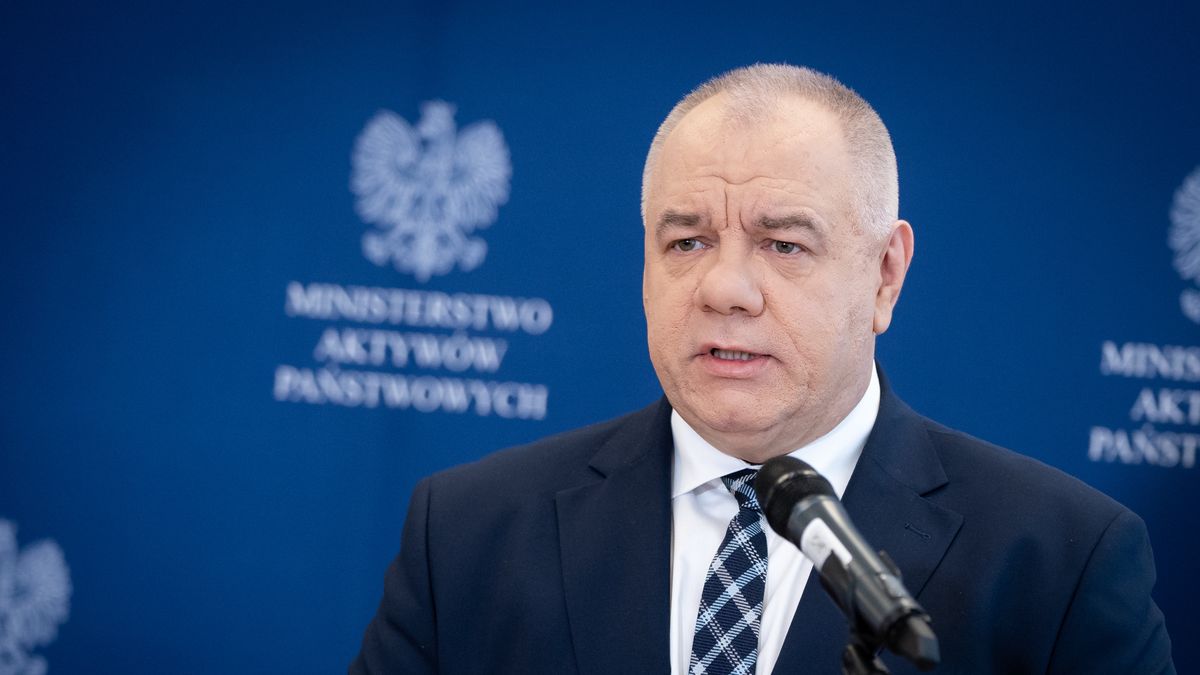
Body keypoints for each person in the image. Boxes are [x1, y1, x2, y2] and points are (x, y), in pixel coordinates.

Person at [350, 64, 1175, 674]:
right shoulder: (464, 533)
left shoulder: (1061, 562)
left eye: (784, 243)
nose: (725, 288)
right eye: (687, 241)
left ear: (885, 274)